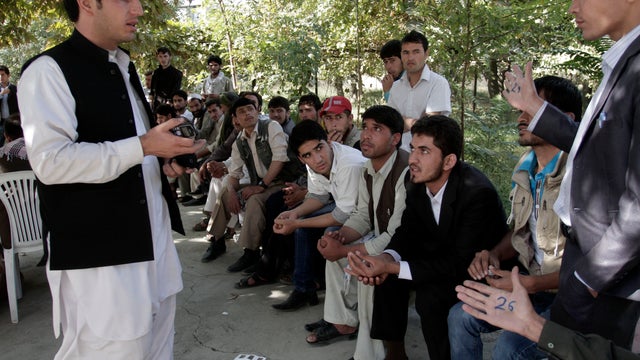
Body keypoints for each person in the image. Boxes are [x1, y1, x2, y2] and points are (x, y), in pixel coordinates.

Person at [17, 1, 204, 358]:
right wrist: (145, 146)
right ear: (88, 2)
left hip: (152, 239)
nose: (139, 8)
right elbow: (51, 162)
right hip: (101, 254)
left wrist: (162, 163)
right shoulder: (48, 71)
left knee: (156, 347)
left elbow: (131, 148)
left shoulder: (123, 64)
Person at [502, 0, 640, 348]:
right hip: (589, 266)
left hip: (610, 276)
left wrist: (586, 280)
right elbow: (601, 144)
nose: (573, 8)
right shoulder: (623, 60)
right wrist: (535, 109)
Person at [346, 116, 508, 360]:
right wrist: (385, 258)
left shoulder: (476, 192)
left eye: (424, 151)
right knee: (387, 276)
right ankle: (395, 353)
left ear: (449, 161)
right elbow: (407, 231)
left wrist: (393, 266)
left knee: (430, 297)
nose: (412, 159)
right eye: (412, 149)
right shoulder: (415, 183)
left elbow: (459, 263)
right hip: (439, 255)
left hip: (477, 271)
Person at [448, 75, 583, 360]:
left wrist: (526, 285)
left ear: (566, 120)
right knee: (460, 316)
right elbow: (524, 229)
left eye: (532, 108)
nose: (521, 117)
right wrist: (494, 254)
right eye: (520, 109)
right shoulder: (525, 168)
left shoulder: (582, 175)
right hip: (531, 285)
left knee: (510, 347)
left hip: (571, 299)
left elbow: (588, 268)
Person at [306, 105, 408, 360]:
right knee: (335, 255)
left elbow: (397, 235)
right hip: (384, 242)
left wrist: (348, 249)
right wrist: (341, 237)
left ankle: (368, 355)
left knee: (364, 270)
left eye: (377, 129)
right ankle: (344, 322)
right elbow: (362, 215)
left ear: (395, 139)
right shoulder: (368, 168)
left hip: (405, 250)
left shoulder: (405, 171)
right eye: (366, 128)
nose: (366, 135)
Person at [272, 120, 366, 310]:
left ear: (329, 143)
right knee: (302, 226)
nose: (317, 159)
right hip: (343, 207)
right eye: (308, 155)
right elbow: (319, 197)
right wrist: (294, 213)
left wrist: (297, 223)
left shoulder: (349, 164)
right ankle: (304, 289)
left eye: (319, 148)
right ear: (301, 158)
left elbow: (340, 217)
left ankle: (341, 308)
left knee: (330, 234)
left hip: (365, 214)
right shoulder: (313, 163)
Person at [202, 97, 299, 272]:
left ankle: (250, 252)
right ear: (235, 119)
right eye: (241, 111)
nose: (247, 113)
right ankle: (216, 241)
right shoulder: (240, 140)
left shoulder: (270, 127)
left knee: (254, 199)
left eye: (250, 109)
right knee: (225, 192)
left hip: (281, 182)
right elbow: (235, 172)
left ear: (257, 111)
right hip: (261, 182)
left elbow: (280, 159)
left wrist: (261, 185)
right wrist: (232, 192)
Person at [456, 267, 640, 360]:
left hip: (567, 300)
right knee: (460, 316)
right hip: (531, 293)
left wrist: (532, 284)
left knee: (508, 346)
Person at [388, 30, 451, 152]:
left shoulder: (438, 83)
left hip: (427, 154)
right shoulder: (396, 87)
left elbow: (429, 125)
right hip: (398, 153)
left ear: (426, 54)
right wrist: (417, 120)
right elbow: (391, 123)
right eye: (406, 52)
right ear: (401, 55)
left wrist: (403, 122)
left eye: (416, 52)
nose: (410, 57)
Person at [0, 115, 31, 253]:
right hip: (45, 226)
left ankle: (5, 265)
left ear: (6, 136)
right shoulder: (41, 154)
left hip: (12, 233)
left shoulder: (3, 155)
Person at [0, 65, 19, 147]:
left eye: (3, 75)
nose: (1, 77)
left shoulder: (14, 89)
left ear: (8, 75)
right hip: (1, 121)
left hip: (13, 121)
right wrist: (1, 94)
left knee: (14, 143)